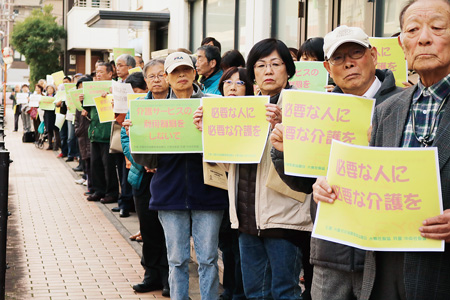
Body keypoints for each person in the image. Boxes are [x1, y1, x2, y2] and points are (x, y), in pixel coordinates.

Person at [270, 25, 402, 300]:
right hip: (332, 247)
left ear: (374, 55)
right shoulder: (319, 111)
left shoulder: (403, 104)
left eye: (356, 52)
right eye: (339, 58)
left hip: (386, 251)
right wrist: (284, 153)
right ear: (328, 68)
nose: (349, 63)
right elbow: (304, 183)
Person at [201, 38, 312, 300]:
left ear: (288, 69)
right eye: (261, 65)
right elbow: (229, 165)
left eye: (276, 64)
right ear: (252, 73)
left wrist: (286, 126)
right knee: (254, 293)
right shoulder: (241, 109)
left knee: (285, 291)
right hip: (246, 218)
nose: (268, 71)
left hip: (286, 218)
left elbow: (311, 161)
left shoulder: (304, 107)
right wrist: (207, 131)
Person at [359, 1, 450, 299]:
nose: (424, 38)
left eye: (437, 27)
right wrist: (333, 190)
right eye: (412, 29)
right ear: (402, 43)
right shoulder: (387, 110)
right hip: (384, 271)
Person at [132, 51, 228, 300]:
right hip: (169, 193)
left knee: (207, 258)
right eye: (175, 72)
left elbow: (229, 148)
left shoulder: (212, 104)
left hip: (209, 191)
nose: (181, 75)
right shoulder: (153, 110)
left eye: (186, 70)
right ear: (167, 77)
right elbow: (147, 161)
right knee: (177, 259)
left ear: (195, 73)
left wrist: (210, 129)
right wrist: (137, 137)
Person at [193, 67, 253, 300]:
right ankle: (229, 288)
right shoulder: (211, 112)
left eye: (239, 84)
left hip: (246, 189)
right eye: (228, 82)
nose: (233, 87)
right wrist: (201, 129)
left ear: (248, 88)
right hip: (219, 187)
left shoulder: (257, 114)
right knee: (226, 243)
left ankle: (241, 291)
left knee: (243, 245)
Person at [122, 59, 170, 296]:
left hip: (169, 176)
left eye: (161, 75)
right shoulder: (139, 106)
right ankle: (151, 274)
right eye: (152, 76)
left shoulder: (178, 104)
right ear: (146, 80)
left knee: (169, 228)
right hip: (144, 176)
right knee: (148, 227)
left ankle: (170, 276)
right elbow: (125, 137)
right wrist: (143, 160)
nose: (157, 80)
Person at [83, 62, 119, 203]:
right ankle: (99, 190)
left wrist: (111, 93)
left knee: (108, 166)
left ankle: (112, 193)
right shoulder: (92, 89)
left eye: (101, 72)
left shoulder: (115, 88)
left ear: (110, 74)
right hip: (94, 132)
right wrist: (83, 101)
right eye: (96, 72)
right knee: (95, 164)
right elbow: (89, 112)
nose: (98, 74)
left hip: (107, 133)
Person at [44, 84, 61, 151]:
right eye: (49, 88)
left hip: (55, 114)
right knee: (49, 130)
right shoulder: (45, 97)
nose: (50, 90)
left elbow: (58, 105)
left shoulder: (56, 96)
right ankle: (50, 144)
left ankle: (56, 145)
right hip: (47, 114)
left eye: (51, 88)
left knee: (56, 130)